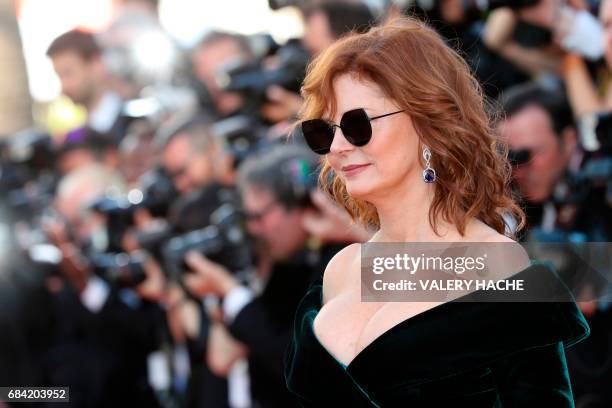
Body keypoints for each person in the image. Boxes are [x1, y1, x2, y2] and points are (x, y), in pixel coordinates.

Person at [284, 16, 590, 406]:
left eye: (358, 125)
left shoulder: (499, 267)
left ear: (428, 124)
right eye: (323, 131)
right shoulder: (341, 270)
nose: (338, 147)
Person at [47, 30, 128, 142]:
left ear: (96, 65)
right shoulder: (75, 139)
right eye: (59, 76)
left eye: (68, 73)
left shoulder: (135, 127)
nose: (64, 87)